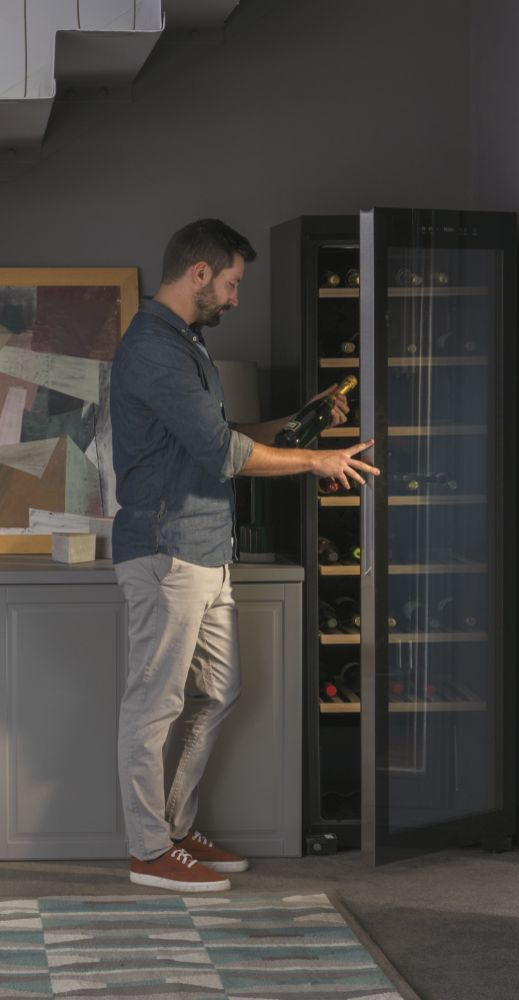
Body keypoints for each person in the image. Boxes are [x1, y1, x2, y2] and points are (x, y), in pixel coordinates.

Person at [110, 218, 378, 892]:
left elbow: (221, 434)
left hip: (206, 549)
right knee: (153, 706)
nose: (235, 297)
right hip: (167, 550)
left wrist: (298, 424)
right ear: (199, 273)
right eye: (231, 283)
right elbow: (224, 454)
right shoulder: (154, 347)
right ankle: (149, 850)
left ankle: (174, 828)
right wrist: (314, 461)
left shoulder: (186, 342)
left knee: (219, 691)